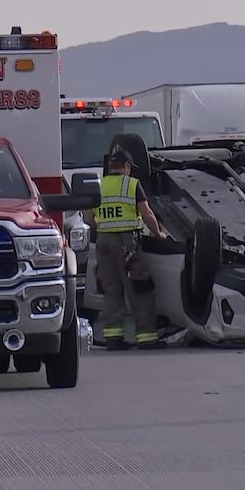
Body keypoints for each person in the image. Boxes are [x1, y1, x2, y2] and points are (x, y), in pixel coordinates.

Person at [84, 148, 168, 351]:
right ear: (127, 166)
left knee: (111, 290)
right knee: (139, 288)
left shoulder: (98, 185)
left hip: (103, 243)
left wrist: (101, 232)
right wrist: (158, 234)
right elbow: (147, 214)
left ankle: (113, 338)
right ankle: (146, 337)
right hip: (127, 243)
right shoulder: (132, 185)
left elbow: (88, 218)